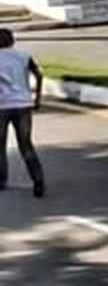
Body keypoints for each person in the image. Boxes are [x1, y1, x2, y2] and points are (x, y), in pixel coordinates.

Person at [0, 29, 45, 198]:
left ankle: (1, 180)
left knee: (0, 146)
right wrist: (37, 96)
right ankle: (38, 179)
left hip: (2, 106)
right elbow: (39, 74)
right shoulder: (24, 56)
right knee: (26, 144)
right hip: (23, 105)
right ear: (12, 41)